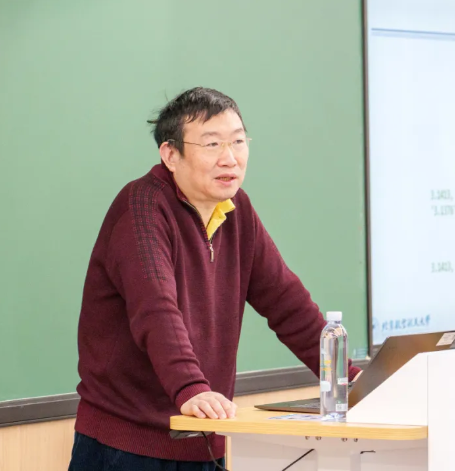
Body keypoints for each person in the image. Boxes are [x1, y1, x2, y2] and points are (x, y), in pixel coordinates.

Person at [69, 87, 361, 470]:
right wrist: (191, 387)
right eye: (212, 144)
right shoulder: (142, 207)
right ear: (170, 154)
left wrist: (351, 379)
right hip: (126, 445)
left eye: (238, 141)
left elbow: (286, 303)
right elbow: (156, 309)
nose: (230, 158)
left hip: (203, 433)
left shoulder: (236, 209)